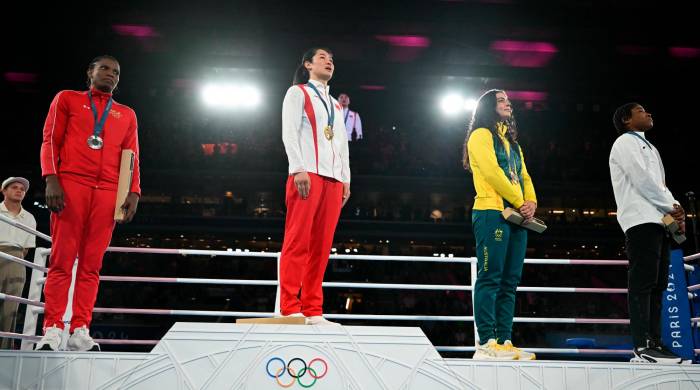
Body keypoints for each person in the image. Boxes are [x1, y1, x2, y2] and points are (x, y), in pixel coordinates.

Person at [35, 55, 141, 351]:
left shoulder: (126, 113)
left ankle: (80, 328)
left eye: (116, 71)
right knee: (62, 260)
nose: (111, 74)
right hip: (71, 183)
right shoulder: (66, 99)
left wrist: (133, 191)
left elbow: (131, 156)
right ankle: (53, 327)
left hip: (108, 191)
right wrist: (51, 177)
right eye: (104, 68)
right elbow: (50, 140)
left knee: (91, 265)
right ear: (90, 72)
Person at [279, 47, 351, 325]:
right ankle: (289, 306)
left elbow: (342, 143)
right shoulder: (297, 93)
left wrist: (346, 178)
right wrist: (297, 168)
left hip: (333, 179)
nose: (329, 61)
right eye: (322, 57)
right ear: (307, 64)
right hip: (307, 173)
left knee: (322, 247)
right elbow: (289, 132)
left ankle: (312, 309)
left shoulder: (335, 104)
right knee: (298, 241)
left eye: (332, 58)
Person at [463, 89, 537, 360]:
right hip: (492, 211)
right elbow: (493, 173)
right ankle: (486, 343)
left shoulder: (513, 144)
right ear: (488, 106)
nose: (508, 103)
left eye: (508, 100)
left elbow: (525, 176)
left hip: (517, 215)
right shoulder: (480, 135)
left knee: (510, 282)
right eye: (502, 100)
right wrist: (520, 201)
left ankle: (504, 341)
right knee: (490, 277)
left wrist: (531, 202)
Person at [609, 102, 684, 363]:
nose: (649, 113)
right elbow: (642, 180)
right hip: (639, 220)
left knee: (658, 284)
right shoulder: (624, 143)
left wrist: (675, 209)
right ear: (627, 119)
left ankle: (655, 341)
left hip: (658, 220)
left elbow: (660, 185)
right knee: (643, 283)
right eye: (641, 111)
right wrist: (671, 206)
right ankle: (642, 345)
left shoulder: (650, 146)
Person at [0, 177, 36, 349]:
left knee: (10, 309)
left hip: (17, 259)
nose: (19, 190)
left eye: (22, 188)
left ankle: (4, 350)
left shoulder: (29, 218)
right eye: (14, 187)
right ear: (4, 190)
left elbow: (27, 249)